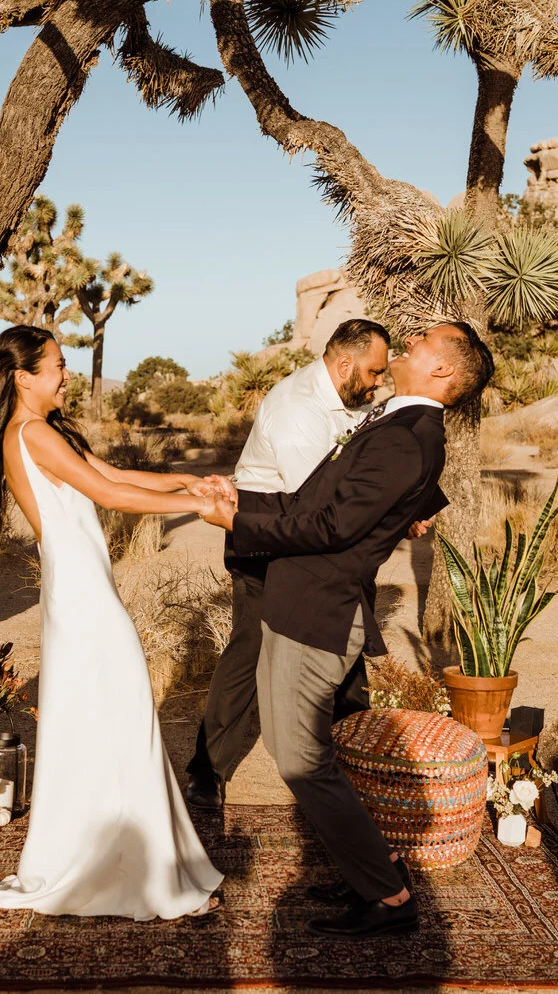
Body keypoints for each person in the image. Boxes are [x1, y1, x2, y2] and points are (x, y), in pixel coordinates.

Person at [200, 321, 495, 940]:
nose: (408, 344)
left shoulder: (409, 436)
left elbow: (331, 526)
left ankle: (389, 898)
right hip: (298, 597)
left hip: (319, 607)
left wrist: (238, 522)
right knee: (302, 751)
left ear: (443, 371)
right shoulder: (394, 422)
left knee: (302, 759)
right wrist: (242, 506)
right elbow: (311, 502)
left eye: (421, 344)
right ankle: (374, 867)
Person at [0, 326, 229, 920]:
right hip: (84, 597)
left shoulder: (38, 433)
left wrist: (186, 482)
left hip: (81, 590)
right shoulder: (32, 433)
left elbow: (113, 475)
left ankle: (127, 855)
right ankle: (142, 869)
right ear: (24, 376)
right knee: (125, 714)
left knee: (105, 716)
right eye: (58, 365)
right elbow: (109, 496)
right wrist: (200, 507)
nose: (66, 374)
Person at [185, 318, 395, 811]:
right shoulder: (298, 407)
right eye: (373, 372)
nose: (379, 381)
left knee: (342, 638)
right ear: (344, 364)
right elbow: (319, 501)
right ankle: (207, 768)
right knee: (252, 648)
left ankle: (355, 762)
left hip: (311, 527)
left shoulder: (345, 399)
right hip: (266, 528)